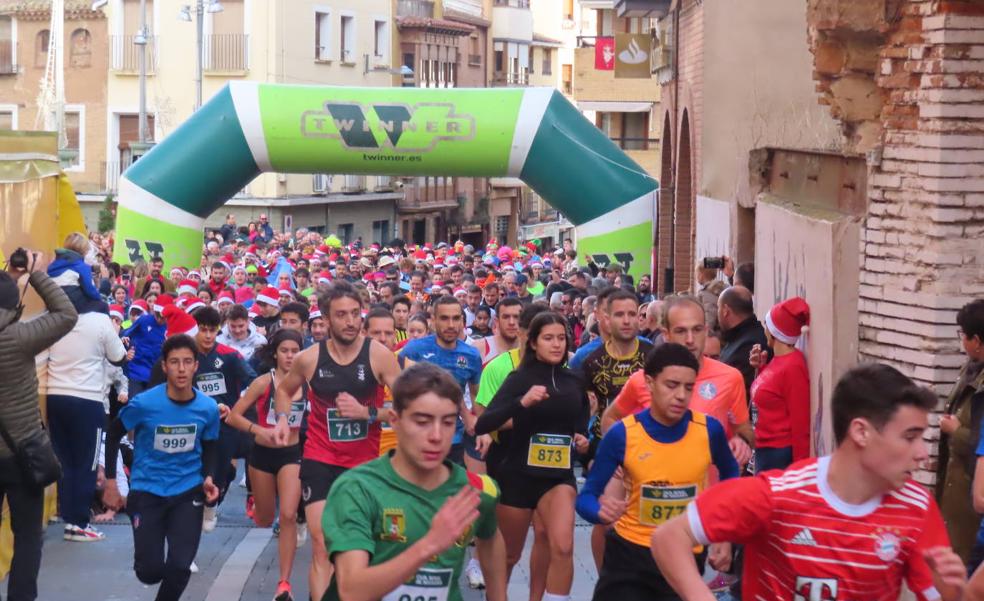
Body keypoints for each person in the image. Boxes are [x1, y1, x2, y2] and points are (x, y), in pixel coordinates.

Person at [650, 363, 967, 601]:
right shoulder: (779, 495)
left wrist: (952, 590)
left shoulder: (916, 507)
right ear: (861, 432)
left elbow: (942, 595)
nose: (923, 454)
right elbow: (669, 537)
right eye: (910, 437)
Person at [320, 363, 507, 601]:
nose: (436, 436)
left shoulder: (477, 491)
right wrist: (429, 544)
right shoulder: (357, 489)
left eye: (448, 422)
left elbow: (491, 539)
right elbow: (352, 591)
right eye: (422, 422)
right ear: (395, 421)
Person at [270, 282, 402, 601]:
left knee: (360, 545)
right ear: (327, 320)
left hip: (364, 465)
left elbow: (406, 409)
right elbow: (284, 391)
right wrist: (285, 419)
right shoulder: (310, 358)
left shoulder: (380, 356)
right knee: (322, 542)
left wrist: (366, 413)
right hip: (320, 458)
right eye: (341, 315)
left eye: (355, 314)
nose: (350, 321)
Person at [577, 343, 739, 601]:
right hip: (630, 557)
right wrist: (598, 511)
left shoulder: (708, 430)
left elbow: (732, 480)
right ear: (650, 383)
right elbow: (586, 497)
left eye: (688, 387)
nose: (681, 396)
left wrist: (724, 533)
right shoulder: (623, 434)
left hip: (684, 555)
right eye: (671, 385)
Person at [475, 312, 590, 601]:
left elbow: (580, 416)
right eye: (548, 338)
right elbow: (484, 423)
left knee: (562, 548)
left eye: (561, 338)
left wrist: (581, 436)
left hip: (558, 478)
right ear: (534, 343)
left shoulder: (574, 379)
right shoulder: (519, 379)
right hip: (517, 475)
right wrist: (521, 402)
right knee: (510, 554)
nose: (556, 345)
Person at [103, 334, 222, 601]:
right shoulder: (144, 404)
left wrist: (209, 477)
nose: (181, 369)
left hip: (187, 491)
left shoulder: (207, 407)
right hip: (148, 491)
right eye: (175, 362)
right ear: (165, 366)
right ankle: (147, 561)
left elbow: (212, 444)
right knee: (150, 571)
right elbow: (112, 435)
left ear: (195, 367)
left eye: (187, 362)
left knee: (180, 566)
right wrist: (111, 482)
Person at [0, 251, 77, 601]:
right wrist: (36, 275)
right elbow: (65, 314)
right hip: (23, 456)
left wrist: (11, 278)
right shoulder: (19, 338)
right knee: (28, 537)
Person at [603, 295, 753, 467]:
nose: (690, 340)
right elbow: (610, 418)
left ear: (705, 331)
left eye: (696, 330)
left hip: (709, 490)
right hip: (655, 490)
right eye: (681, 331)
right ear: (666, 335)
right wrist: (620, 456)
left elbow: (743, 429)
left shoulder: (730, 378)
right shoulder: (643, 380)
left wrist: (742, 442)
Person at [225, 329, 306, 601]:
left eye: (295, 351)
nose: (290, 356)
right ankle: (257, 502)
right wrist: (259, 430)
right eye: (285, 350)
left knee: (288, 516)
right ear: (275, 354)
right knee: (264, 518)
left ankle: (284, 584)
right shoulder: (263, 382)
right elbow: (233, 417)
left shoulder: (309, 384)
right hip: (261, 455)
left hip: (292, 454)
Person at [46, 283, 128, 542]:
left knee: (65, 462)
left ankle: (70, 518)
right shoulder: (100, 320)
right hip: (87, 399)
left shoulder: (54, 318)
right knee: (86, 464)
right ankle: (78, 523)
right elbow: (119, 356)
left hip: (55, 396)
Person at [402, 296, 483, 467]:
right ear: (433, 320)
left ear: (462, 320)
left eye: (456, 318)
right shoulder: (414, 350)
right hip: (419, 440)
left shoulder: (472, 355)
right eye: (444, 318)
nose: (451, 325)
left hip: (454, 440)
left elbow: (476, 395)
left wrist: (481, 427)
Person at [941, 298, 984, 563]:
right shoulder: (971, 369)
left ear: (977, 341)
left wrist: (955, 431)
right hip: (957, 488)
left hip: (972, 493)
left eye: (964, 336)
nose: (962, 342)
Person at [748, 297, 811, 472]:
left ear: (775, 331)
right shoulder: (776, 360)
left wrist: (800, 469)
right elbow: (770, 394)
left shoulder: (793, 366)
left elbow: (800, 420)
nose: (764, 329)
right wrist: (760, 368)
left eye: (767, 325)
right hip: (764, 449)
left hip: (778, 454)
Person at [716, 286, 767, 396]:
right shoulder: (738, 336)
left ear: (725, 310)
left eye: (718, 307)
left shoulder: (749, 344)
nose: (717, 312)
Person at [471, 297, 522, 366]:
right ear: (496, 321)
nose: (511, 322)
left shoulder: (531, 349)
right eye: (506, 317)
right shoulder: (479, 347)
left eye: (516, 317)